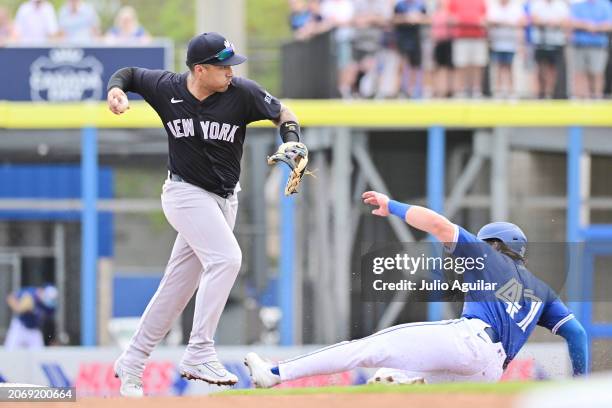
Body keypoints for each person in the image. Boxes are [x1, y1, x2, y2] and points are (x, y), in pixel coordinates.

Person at [107, 32, 306, 397]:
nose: (231, 71)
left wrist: (291, 137)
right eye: (223, 65)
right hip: (183, 193)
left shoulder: (242, 93)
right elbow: (130, 73)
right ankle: (199, 350)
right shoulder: (166, 87)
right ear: (200, 70)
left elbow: (283, 113)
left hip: (224, 200)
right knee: (228, 258)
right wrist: (116, 90)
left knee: (176, 290)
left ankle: (132, 362)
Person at [244, 191, 588, 387]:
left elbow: (438, 225)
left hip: (470, 341)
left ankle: (274, 374)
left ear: (496, 245)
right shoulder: (542, 292)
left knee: (367, 348)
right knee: (390, 377)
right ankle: (406, 379)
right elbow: (578, 336)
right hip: (489, 373)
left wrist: (391, 206)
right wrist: (579, 387)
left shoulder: (486, 254)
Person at [569, 0, 612, 99]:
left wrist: (596, 27)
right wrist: (587, 25)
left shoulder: (605, 5)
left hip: (598, 45)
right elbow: (571, 22)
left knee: (597, 73)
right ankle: (581, 98)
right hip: (579, 44)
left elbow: (610, 24)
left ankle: (597, 98)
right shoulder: (577, 5)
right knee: (579, 73)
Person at [448, 0, 488, 98]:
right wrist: (472, 21)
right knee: (461, 65)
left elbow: (484, 18)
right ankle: (461, 90)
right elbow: (451, 18)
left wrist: (467, 21)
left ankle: (476, 90)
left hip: (478, 37)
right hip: (461, 37)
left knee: (478, 64)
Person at [530, 0, 570, 99]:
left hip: (557, 43)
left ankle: (550, 94)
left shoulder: (561, 5)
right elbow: (534, 19)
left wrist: (555, 23)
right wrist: (547, 22)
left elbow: (566, 21)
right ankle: (541, 93)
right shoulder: (536, 4)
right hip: (541, 43)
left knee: (553, 71)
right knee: (541, 70)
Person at [487, 0, 526, 98]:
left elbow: (522, 22)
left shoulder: (516, 7)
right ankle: (498, 92)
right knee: (499, 68)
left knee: (510, 67)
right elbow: (488, 21)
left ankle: (511, 92)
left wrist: (521, 44)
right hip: (497, 43)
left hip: (511, 43)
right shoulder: (493, 7)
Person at [4, 284, 58, 350]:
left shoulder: (50, 307)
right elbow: (10, 297)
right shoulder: (30, 292)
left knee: (39, 353)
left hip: (34, 329)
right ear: (42, 291)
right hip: (20, 326)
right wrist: (19, 307)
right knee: (9, 350)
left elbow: (49, 318)